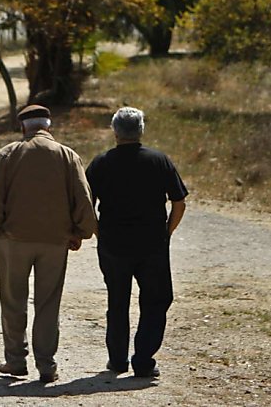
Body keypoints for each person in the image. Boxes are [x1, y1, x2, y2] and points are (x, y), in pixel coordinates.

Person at [0, 104, 98, 383]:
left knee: (13, 301)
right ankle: (46, 364)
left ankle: (16, 361)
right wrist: (79, 233)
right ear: (49, 127)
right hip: (55, 243)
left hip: (13, 241)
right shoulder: (68, 156)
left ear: (23, 127)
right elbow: (83, 200)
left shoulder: (8, 154)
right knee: (48, 303)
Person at [85, 106, 188, 378]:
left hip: (113, 244)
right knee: (156, 300)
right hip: (152, 244)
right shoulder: (159, 160)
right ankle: (143, 360)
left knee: (117, 301)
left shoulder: (101, 163)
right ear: (141, 130)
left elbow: (85, 206)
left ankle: (117, 360)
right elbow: (179, 202)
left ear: (114, 131)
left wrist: (99, 233)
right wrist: (167, 231)